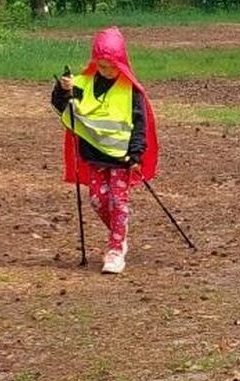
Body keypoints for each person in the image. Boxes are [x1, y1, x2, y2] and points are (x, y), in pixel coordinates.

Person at [52, 27, 160, 275]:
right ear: (95, 62)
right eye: (102, 66)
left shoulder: (130, 89)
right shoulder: (82, 83)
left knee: (118, 202)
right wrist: (64, 90)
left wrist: (136, 153)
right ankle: (119, 233)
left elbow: (139, 123)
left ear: (121, 63)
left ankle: (115, 249)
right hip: (94, 155)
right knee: (98, 200)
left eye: (112, 66)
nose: (107, 71)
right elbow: (61, 107)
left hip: (122, 158)